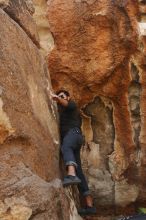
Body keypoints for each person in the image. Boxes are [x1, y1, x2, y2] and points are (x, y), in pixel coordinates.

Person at [50, 89, 97, 216]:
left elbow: (65, 103)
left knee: (66, 147)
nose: (60, 99)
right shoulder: (64, 111)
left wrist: (55, 96)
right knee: (80, 171)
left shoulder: (72, 105)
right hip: (76, 138)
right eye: (59, 96)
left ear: (68, 97)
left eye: (62, 96)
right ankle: (89, 205)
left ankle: (71, 175)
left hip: (73, 134)